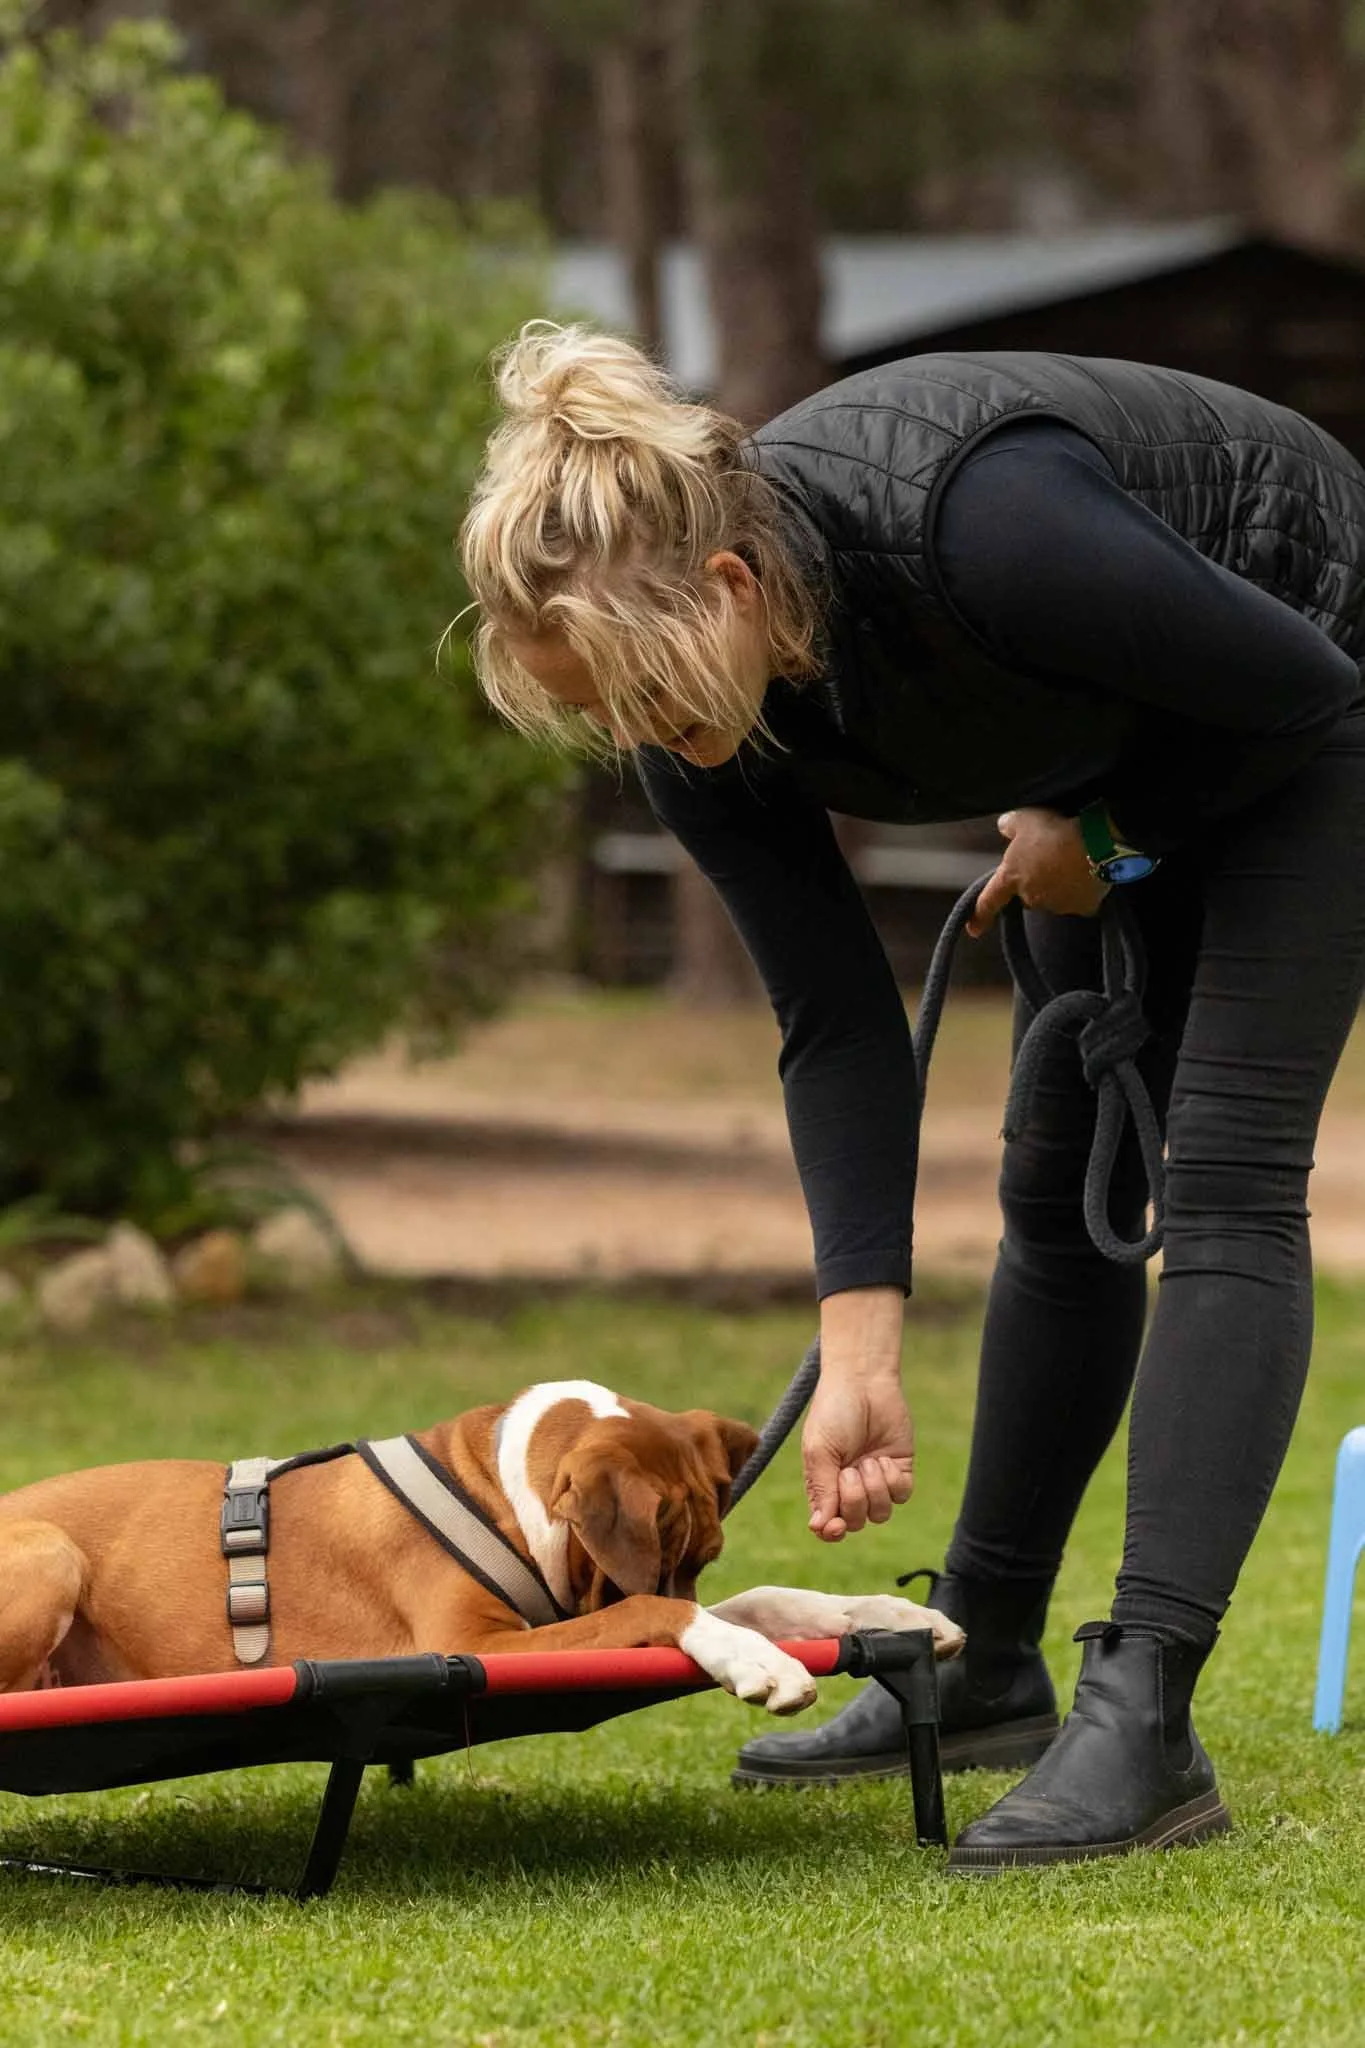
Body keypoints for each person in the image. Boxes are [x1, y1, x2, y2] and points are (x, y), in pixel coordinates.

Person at [457, 324, 1365, 1869]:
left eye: (643, 701)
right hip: (1123, 748)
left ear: (728, 592)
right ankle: (987, 1658)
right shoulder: (695, 721)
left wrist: (1118, 830)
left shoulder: (985, 525)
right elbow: (833, 1018)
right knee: (1056, 1184)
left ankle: (1143, 1708)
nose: (636, 744)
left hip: (1316, 685)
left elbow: (1308, 698)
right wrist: (858, 1335)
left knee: (1221, 1182)